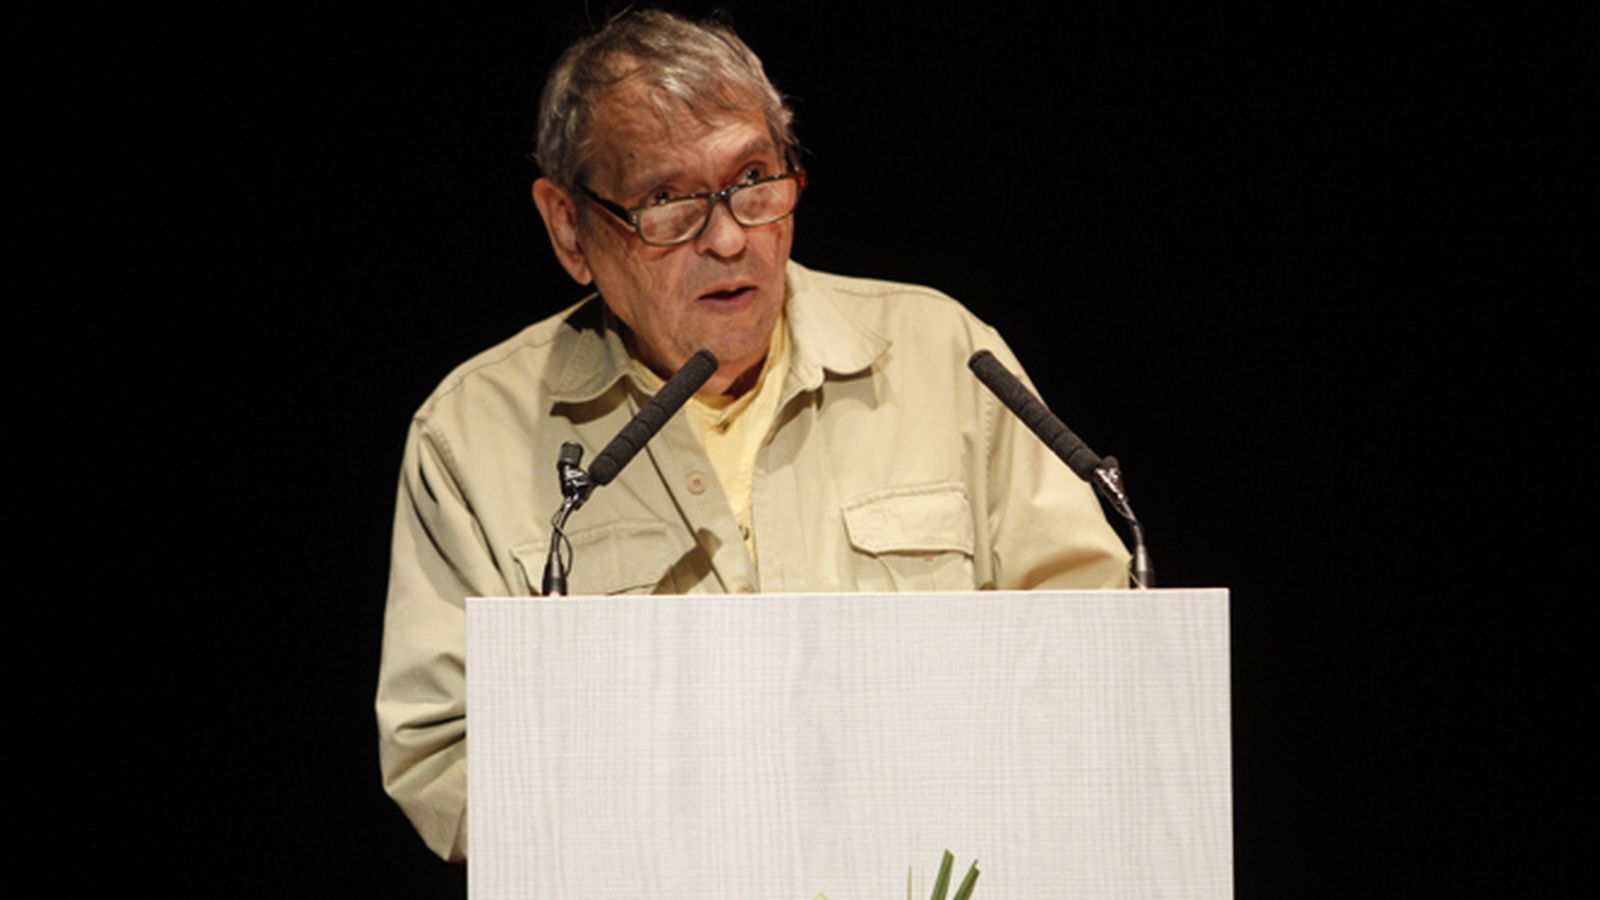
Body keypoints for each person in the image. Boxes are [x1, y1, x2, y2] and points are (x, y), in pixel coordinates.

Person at [376, 8, 1130, 861]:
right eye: (666, 202)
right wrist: (702, 820)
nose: (729, 237)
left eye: (754, 180)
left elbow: (1094, 662)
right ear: (568, 228)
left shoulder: (947, 362)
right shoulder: (472, 436)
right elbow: (444, 754)